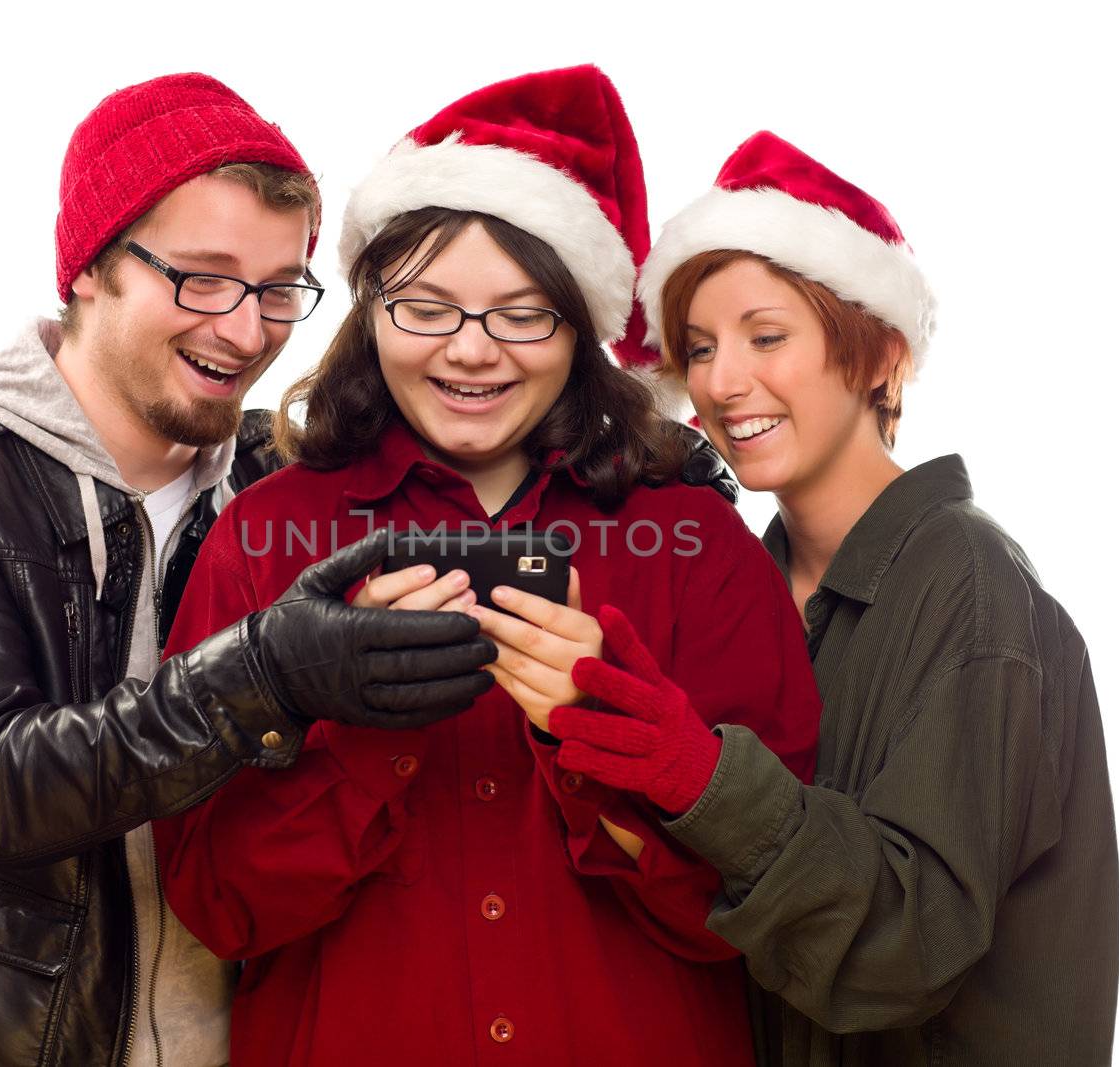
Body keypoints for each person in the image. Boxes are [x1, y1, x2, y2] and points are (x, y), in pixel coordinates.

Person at [153, 67, 821, 1067]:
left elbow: (776, 915)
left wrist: (612, 733)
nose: (471, 352)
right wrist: (367, 727)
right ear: (370, 310)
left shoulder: (699, 544)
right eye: (425, 307)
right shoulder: (264, 534)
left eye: (521, 313)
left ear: (579, 325)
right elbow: (218, 904)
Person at [0, 73, 494, 1067]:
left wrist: (657, 468)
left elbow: (493, 445)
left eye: (277, 288)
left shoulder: (280, 475)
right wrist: (265, 673)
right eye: (202, 277)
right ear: (92, 266)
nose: (244, 327)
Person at [551, 130, 1119, 1065]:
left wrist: (706, 780)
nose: (723, 383)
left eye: (766, 336)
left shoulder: (972, 592)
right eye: (698, 347)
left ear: (878, 355)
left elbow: (907, 944)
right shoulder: (749, 587)